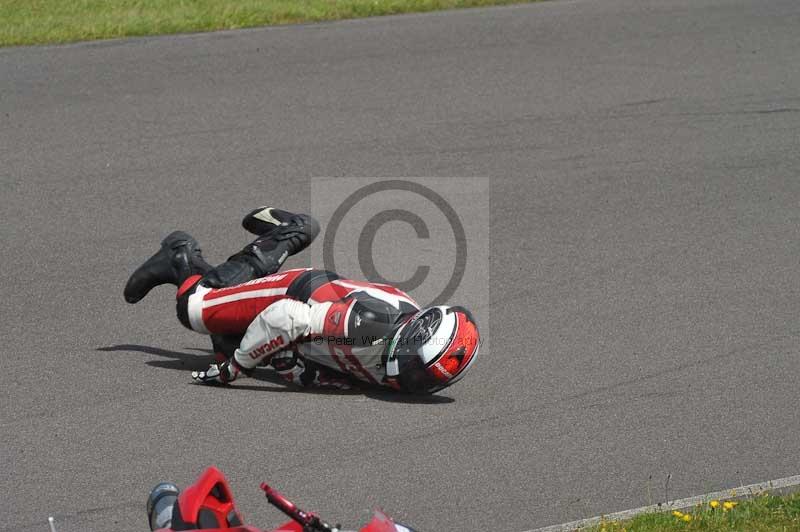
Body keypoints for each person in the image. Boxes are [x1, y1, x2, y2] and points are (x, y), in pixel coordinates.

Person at [124, 207, 480, 394]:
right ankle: (181, 253)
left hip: (318, 312)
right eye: (418, 368)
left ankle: (283, 234)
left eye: (429, 379)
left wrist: (297, 368)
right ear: (409, 338)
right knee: (194, 309)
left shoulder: (396, 356)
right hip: (295, 293)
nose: (416, 380)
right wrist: (236, 370)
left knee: (228, 341)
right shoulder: (367, 326)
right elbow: (284, 318)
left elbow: (331, 366)